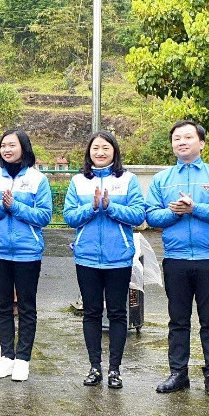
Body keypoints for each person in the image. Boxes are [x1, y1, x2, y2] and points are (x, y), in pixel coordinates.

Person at [145, 119, 209, 399]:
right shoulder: (162, 179)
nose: (181, 142)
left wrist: (195, 207)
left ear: (201, 143)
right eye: (176, 138)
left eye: (187, 137)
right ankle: (178, 373)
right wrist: (175, 212)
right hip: (176, 258)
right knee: (178, 319)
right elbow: (151, 215)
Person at [63, 131, 145, 389]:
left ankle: (115, 370)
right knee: (92, 312)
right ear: (89, 152)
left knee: (118, 313)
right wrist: (91, 207)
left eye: (105, 147)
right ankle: (94, 367)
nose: (100, 152)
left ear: (114, 151)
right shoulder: (78, 181)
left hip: (118, 257)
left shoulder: (128, 180)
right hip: (86, 257)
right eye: (95, 148)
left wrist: (110, 207)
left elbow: (138, 214)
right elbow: (69, 217)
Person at [0, 129, 54, 382]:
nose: (7, 150)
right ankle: (5, 357)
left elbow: (44, 217)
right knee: (2, 306)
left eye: (12, 145)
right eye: (3, 146)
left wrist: (15, 206)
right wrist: (1, 205)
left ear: (24, 147)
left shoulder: (37, 180)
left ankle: (23, 360)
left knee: (26, 307)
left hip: (27, 252)